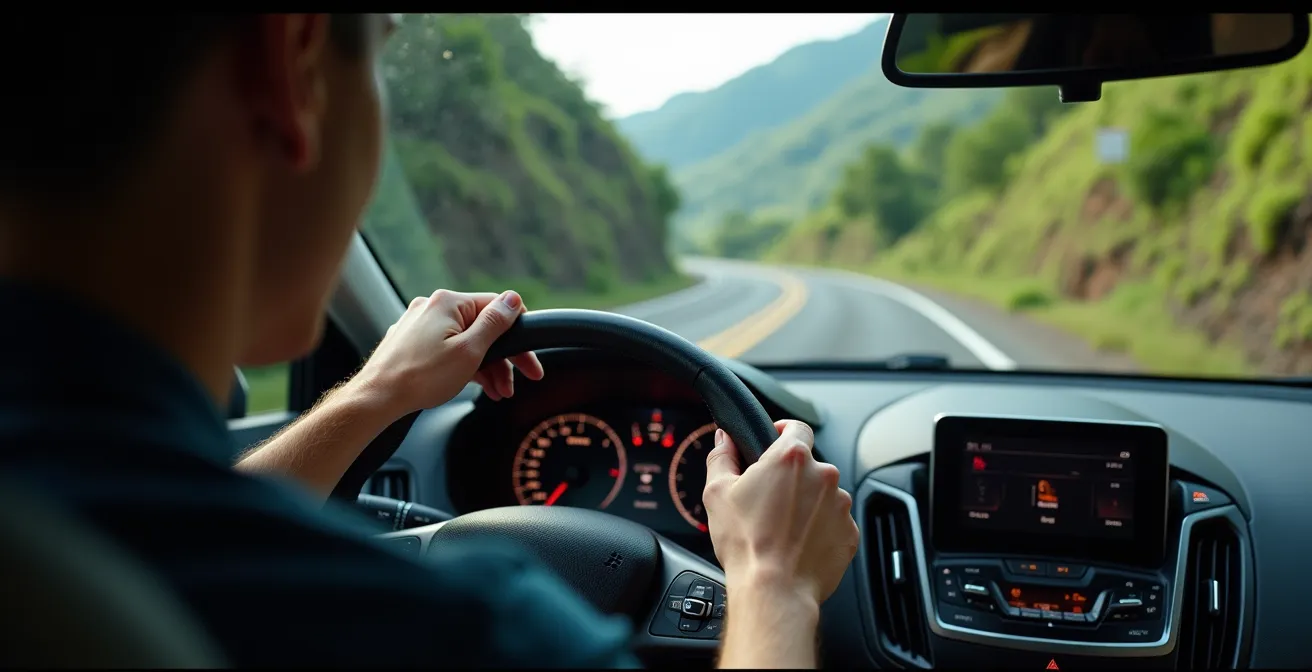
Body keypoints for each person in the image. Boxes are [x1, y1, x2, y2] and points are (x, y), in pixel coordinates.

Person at [0, 13, 859, 669]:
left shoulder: (63, 514)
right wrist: (773, 583)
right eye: (379, 52)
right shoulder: (462, 631)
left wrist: (375, 395)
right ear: (294, 63)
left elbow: (170, 533)